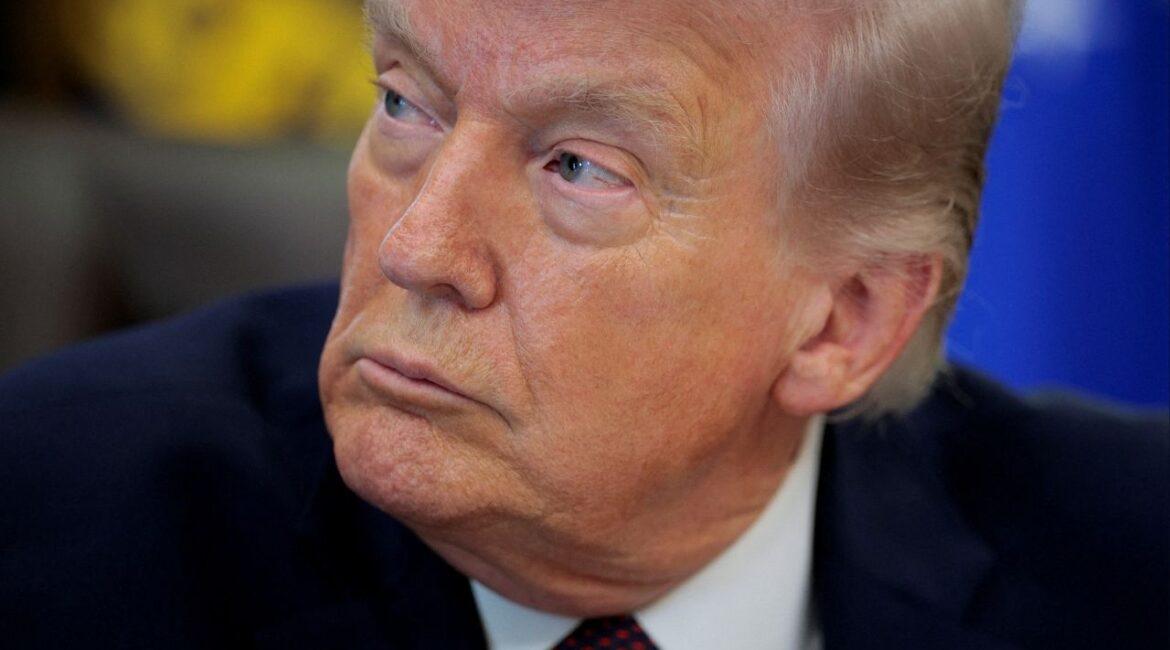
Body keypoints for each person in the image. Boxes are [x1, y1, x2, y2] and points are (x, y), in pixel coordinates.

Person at [1, 1, 1166, 648]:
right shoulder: (46, 531)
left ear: (844, 321)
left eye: (578, 167)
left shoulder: (1131, 568)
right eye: (406, 101)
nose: (417, 245)